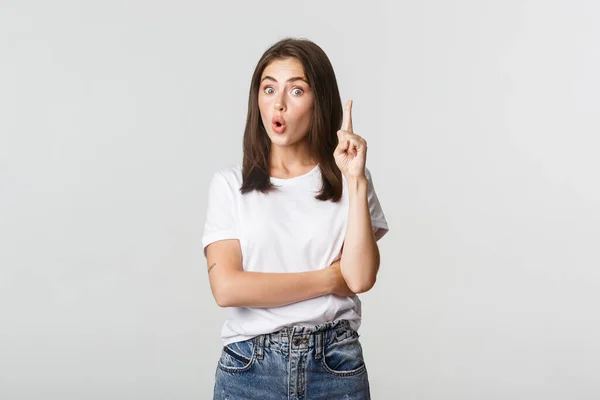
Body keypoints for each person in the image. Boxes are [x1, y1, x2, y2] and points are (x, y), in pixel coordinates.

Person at [201, 37, 389, 400]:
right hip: (250, 367)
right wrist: (328, 279)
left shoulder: (349, 180)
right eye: (268, 88)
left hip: (335, 364)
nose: (279, 104)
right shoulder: (230, 185)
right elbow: (227, 288)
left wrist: (355, 180)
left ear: (320, 100)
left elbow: (360, 278)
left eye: (297, 90)